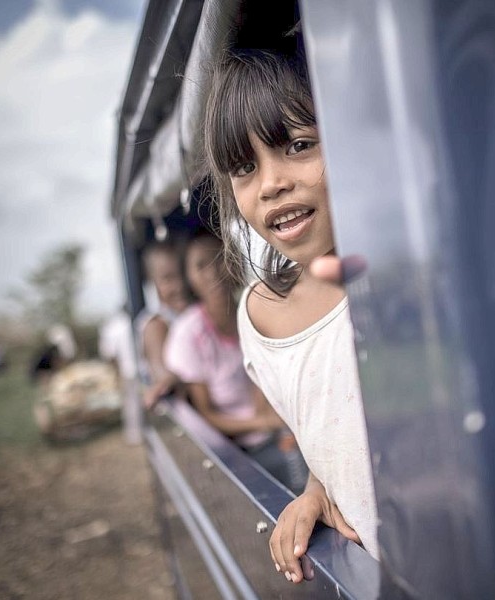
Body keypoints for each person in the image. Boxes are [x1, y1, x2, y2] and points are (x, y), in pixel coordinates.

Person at [204, 46, 378, 584]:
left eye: (299, 145)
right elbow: (335, 434)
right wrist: (318, 488)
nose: (272, 182)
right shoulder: (261, 318)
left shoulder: (408, 276)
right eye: (244, 167)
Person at [163, 231, 306, 490]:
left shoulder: (257, 311)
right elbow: (207, 416)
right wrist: (265, 423)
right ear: (189, 278)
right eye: (200, 265)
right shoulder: (189, 335)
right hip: (242, 452)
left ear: (234, 262)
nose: (213, 271)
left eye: (220, 258)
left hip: (283, 433)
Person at [135, 240, 189, 403]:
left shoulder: (191, 315)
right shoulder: (157, 325)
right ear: (153, 283)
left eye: (182, 274)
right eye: (167, 279)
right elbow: (163, 376)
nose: (179, 285)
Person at [99, 305, 141, 444]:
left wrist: (116, 372)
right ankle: (137, 434)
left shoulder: (113, 327)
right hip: (137, 369)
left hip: (127, 370)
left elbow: (110, 355)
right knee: (135, 402)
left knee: (131, 403)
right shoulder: (133, 322)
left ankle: (135, 434)